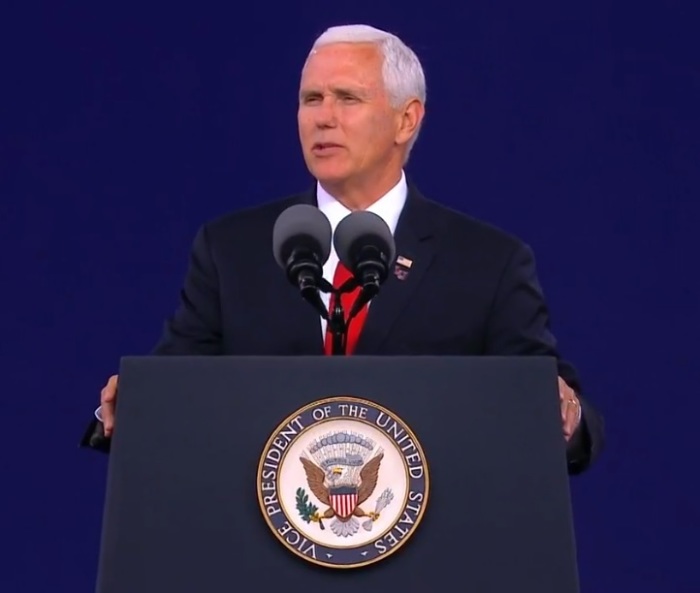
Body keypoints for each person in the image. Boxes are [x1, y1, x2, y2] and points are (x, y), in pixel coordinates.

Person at [81, 23, 604, 475]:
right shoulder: (233, 249)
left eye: (347, 98)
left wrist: (565, 413)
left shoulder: (487, 261)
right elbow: (176, 386)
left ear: (407, 119)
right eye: (312, 99)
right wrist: (131, 408)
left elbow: (554, 410)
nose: (322, 117)